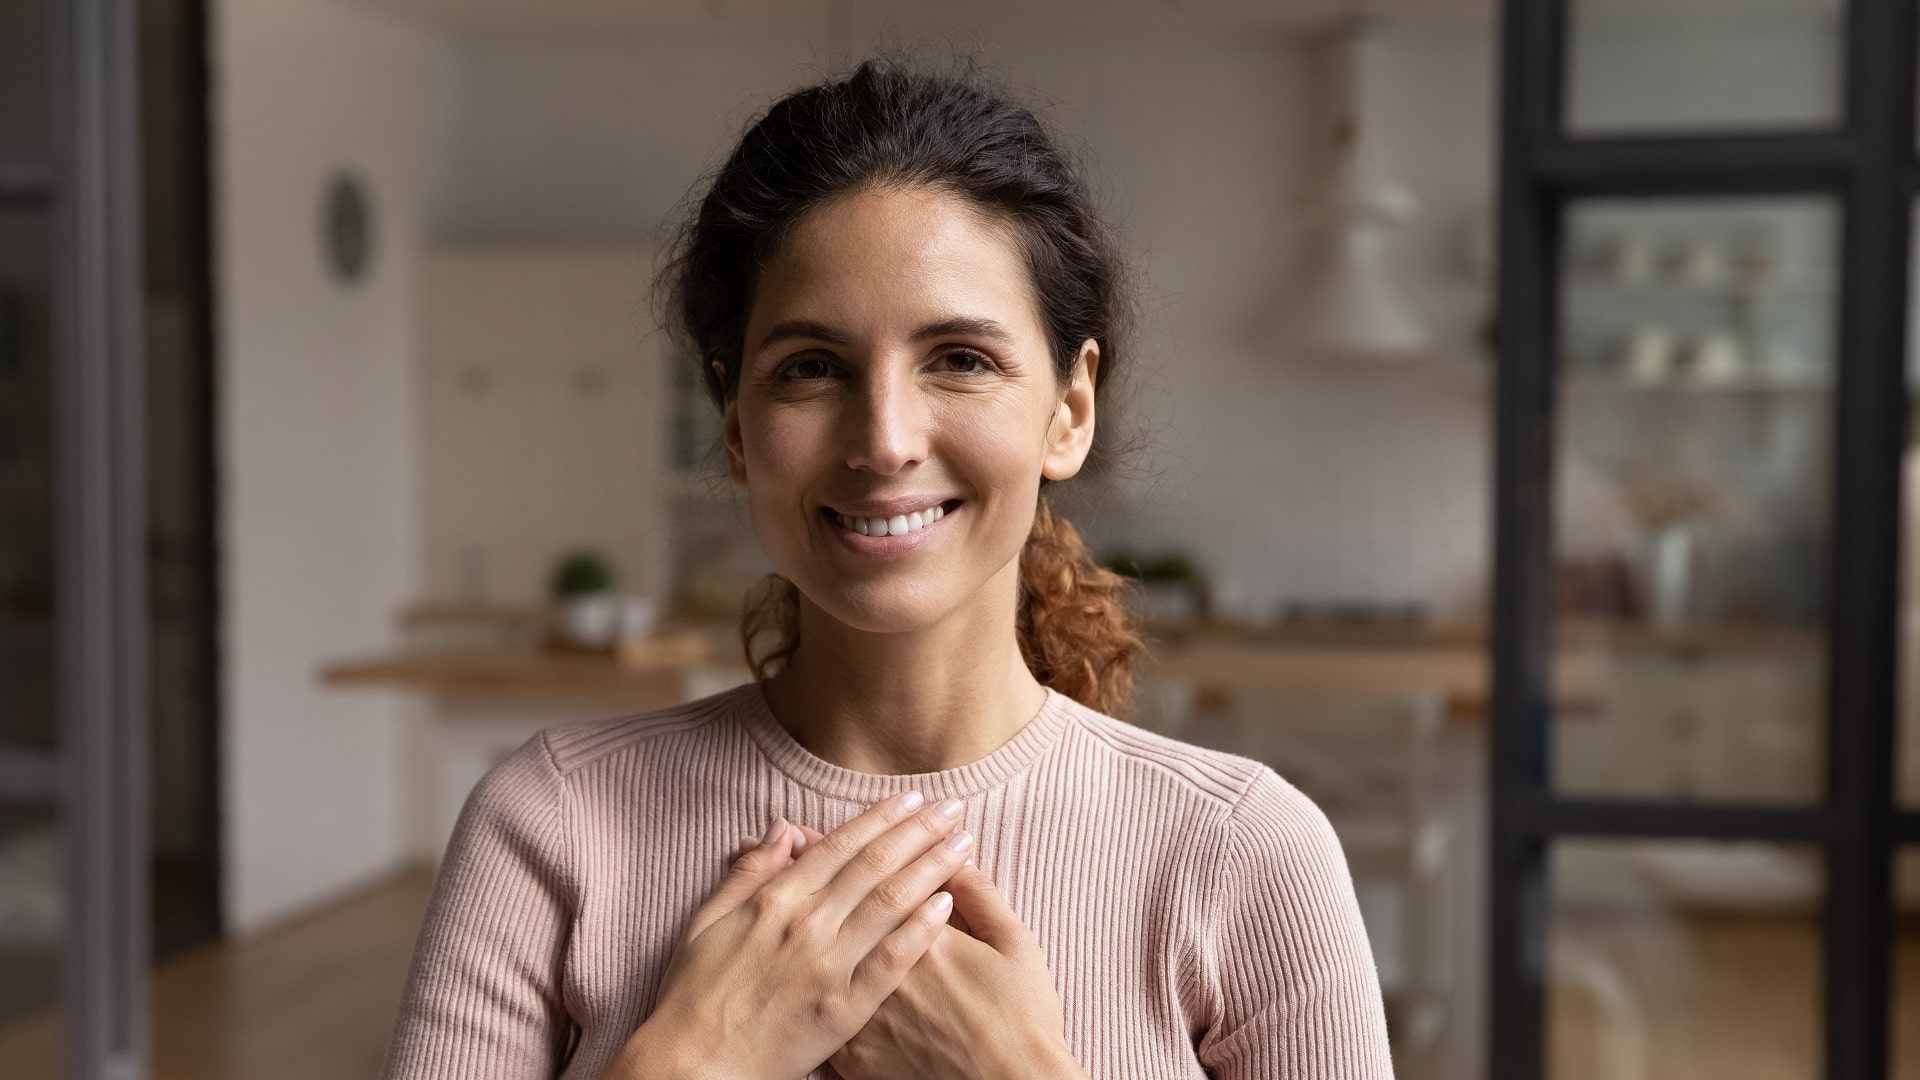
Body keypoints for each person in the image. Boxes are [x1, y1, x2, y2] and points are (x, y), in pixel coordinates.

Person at [379, 60, 1393, 1080]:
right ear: (735, 425)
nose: (886, 439)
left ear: (1070, 409)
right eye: (811, 368)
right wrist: (691, 1063)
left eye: (960, 357)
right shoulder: (550, 826)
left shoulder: (1242, 855)